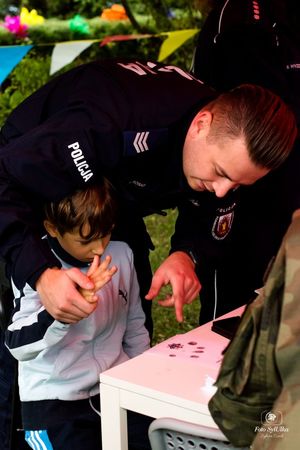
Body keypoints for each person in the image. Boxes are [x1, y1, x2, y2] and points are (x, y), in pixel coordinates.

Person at [0, 58, 297, 449]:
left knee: (127, 297)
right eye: (221, 173)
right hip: (30, 181)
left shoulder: (219, 136)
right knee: (31, 334)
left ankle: (121, 407)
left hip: (114, 190)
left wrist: (187, 254)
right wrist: (41, 273)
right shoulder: (107, 122)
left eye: (237, 183)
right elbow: (7, 181)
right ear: (202, 124)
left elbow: (211, 207)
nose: (224, 190)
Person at [5, 180, 151, 450]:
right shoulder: (34, 268)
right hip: (55, 401)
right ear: (53, 228)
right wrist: (61, 314)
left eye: (105, 234)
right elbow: (17, 345)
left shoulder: (121, 254)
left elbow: (134, 325)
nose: (98, 248)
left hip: (113, 387)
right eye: (86, 240)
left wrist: (141, 381)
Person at [191, 0, 300, 323]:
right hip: (248, 212)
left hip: (288, 204)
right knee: (232, 323)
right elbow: (248, 126)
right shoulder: (240, 18)